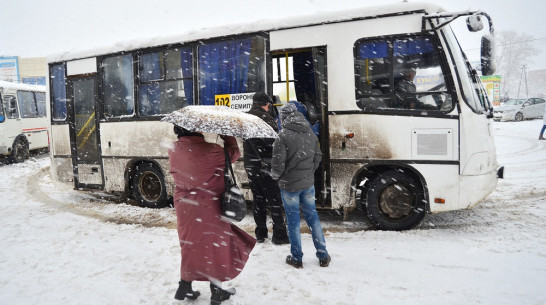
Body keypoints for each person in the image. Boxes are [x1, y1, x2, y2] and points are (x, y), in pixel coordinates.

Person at [168, 126, 256, 304]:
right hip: (210, 206)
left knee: (190, 245)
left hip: (185, 206)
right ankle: (217, 292)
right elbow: (234, 153)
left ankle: (184, 286)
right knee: (215, 247)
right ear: (197, 130)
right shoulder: (213, 150)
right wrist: (227, 135)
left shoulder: (173, 149)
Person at [271, 103, 331, 268]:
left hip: (289, 186)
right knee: (313, 218)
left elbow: (277, 165)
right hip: (308, 184)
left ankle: (296, 257)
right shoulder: (310, 132)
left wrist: (276, 177)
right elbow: (318, 157)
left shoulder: (282, 136)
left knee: (293, 222)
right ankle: (323, 255)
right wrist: (308, 172)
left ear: (284, 117)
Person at [243, 92, 289, 244]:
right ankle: (279, 234)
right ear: (266, 104)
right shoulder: (266, 119)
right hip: (266, 166)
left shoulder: (246, 118)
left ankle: (261, 233)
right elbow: (272, 145)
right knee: (274, 200)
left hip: (251, 166)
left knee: (258, 199)